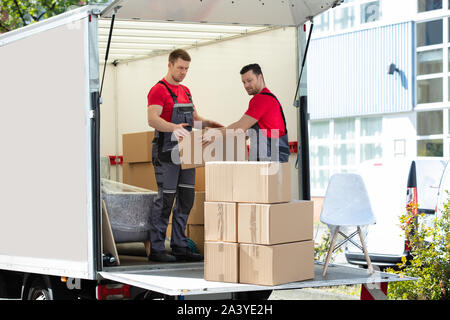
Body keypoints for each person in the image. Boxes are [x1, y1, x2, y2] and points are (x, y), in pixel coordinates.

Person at [147, 49, 222, 262]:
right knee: (166, 199)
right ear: (169, 64)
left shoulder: (186, 91)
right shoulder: (158, 90)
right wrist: (172, 127)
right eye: (180, 68)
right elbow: (152, 119)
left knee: (186, 199)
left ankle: (180, 245)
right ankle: (157, 249)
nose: (183, 72)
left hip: (187, 152)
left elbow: (194, 120)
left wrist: (208, 123)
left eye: (187, 69)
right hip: (166, 152)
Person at [227, 63, 290, 162]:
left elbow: (240, 126)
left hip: (269, 157)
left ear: (260, 77)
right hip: (278, 156)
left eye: (249, 81)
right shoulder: (271, 97)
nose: (246, 85)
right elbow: (267, 128)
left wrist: (214, 134)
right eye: (243, 82)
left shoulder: (261, 99)